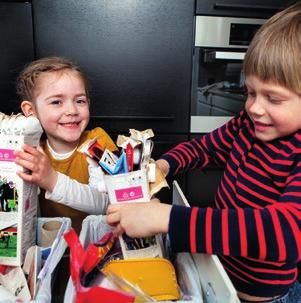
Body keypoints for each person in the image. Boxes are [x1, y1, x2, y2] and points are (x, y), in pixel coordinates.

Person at [107, 3, 301, 302]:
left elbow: (284, 233)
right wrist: (165, 165)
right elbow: (203, 149)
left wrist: (169, 218)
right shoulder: (246, 124)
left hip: (261, 297)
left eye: (273, 98)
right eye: (249, 92)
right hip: (218, 271)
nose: (254, 108)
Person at [14, 56, 118, 232]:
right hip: (49, 245)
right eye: (56, 102)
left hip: (96, 246)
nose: (72, 111)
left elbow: (107, 204)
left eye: (80, 101)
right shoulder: (32, 150)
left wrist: (52, 180)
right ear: (31, 111)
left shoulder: (97, 142)